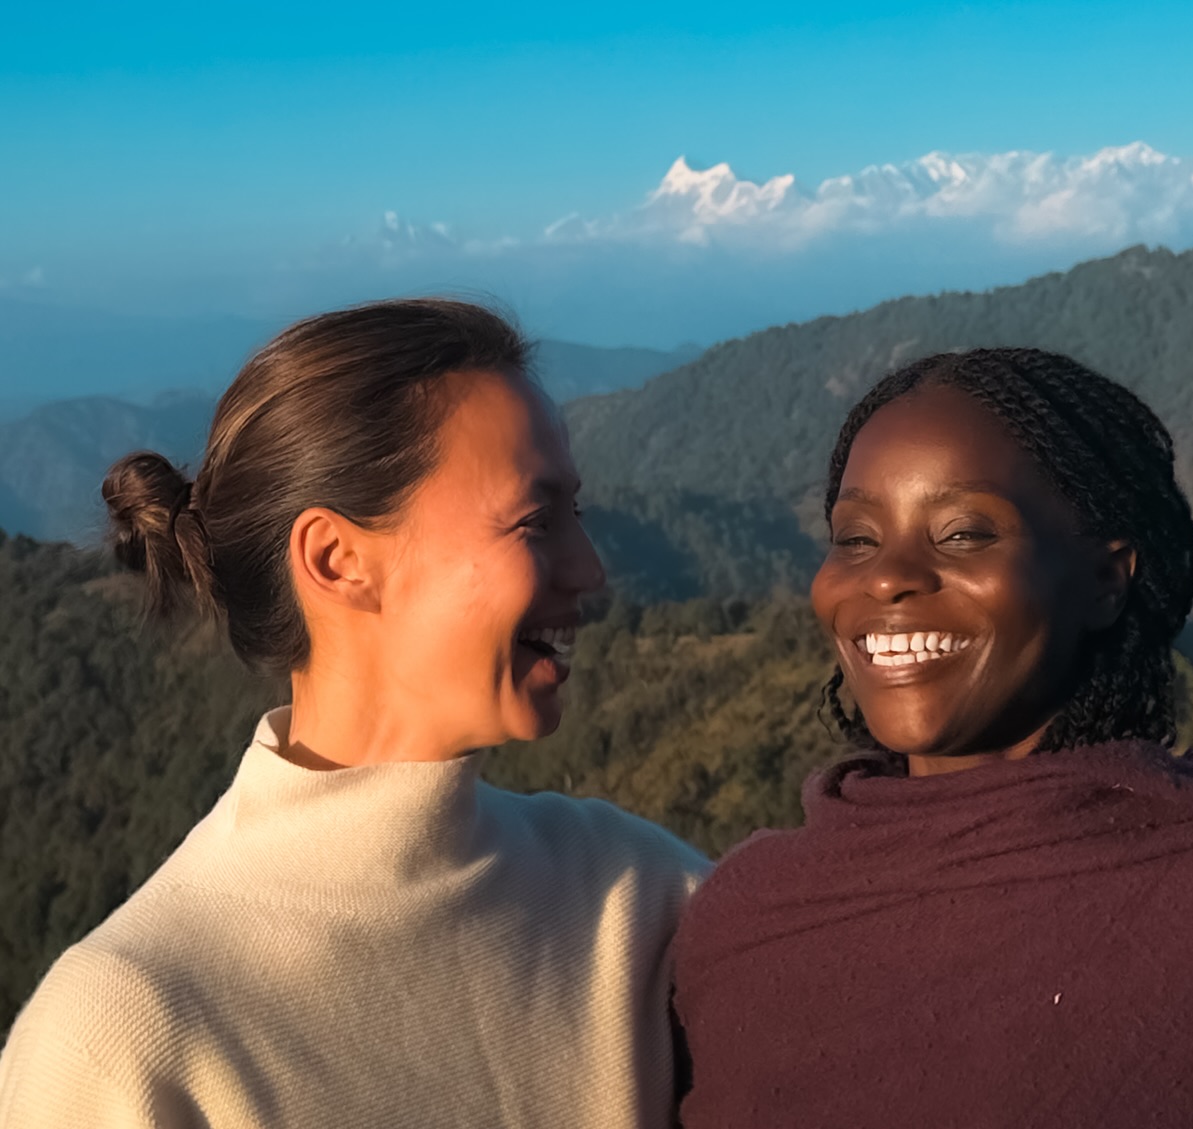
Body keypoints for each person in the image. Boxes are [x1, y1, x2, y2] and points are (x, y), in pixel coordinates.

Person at [673, 348, 1193, 1127]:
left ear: (1106, 579)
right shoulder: (749, 917)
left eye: (964, 533)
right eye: (857, 538)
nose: (886, 577)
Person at [0, 299, 710, 1128]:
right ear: (337, 561)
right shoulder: (124, 1039)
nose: (589, 569)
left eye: (574, 515)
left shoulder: (644, 900)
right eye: (534, 520)